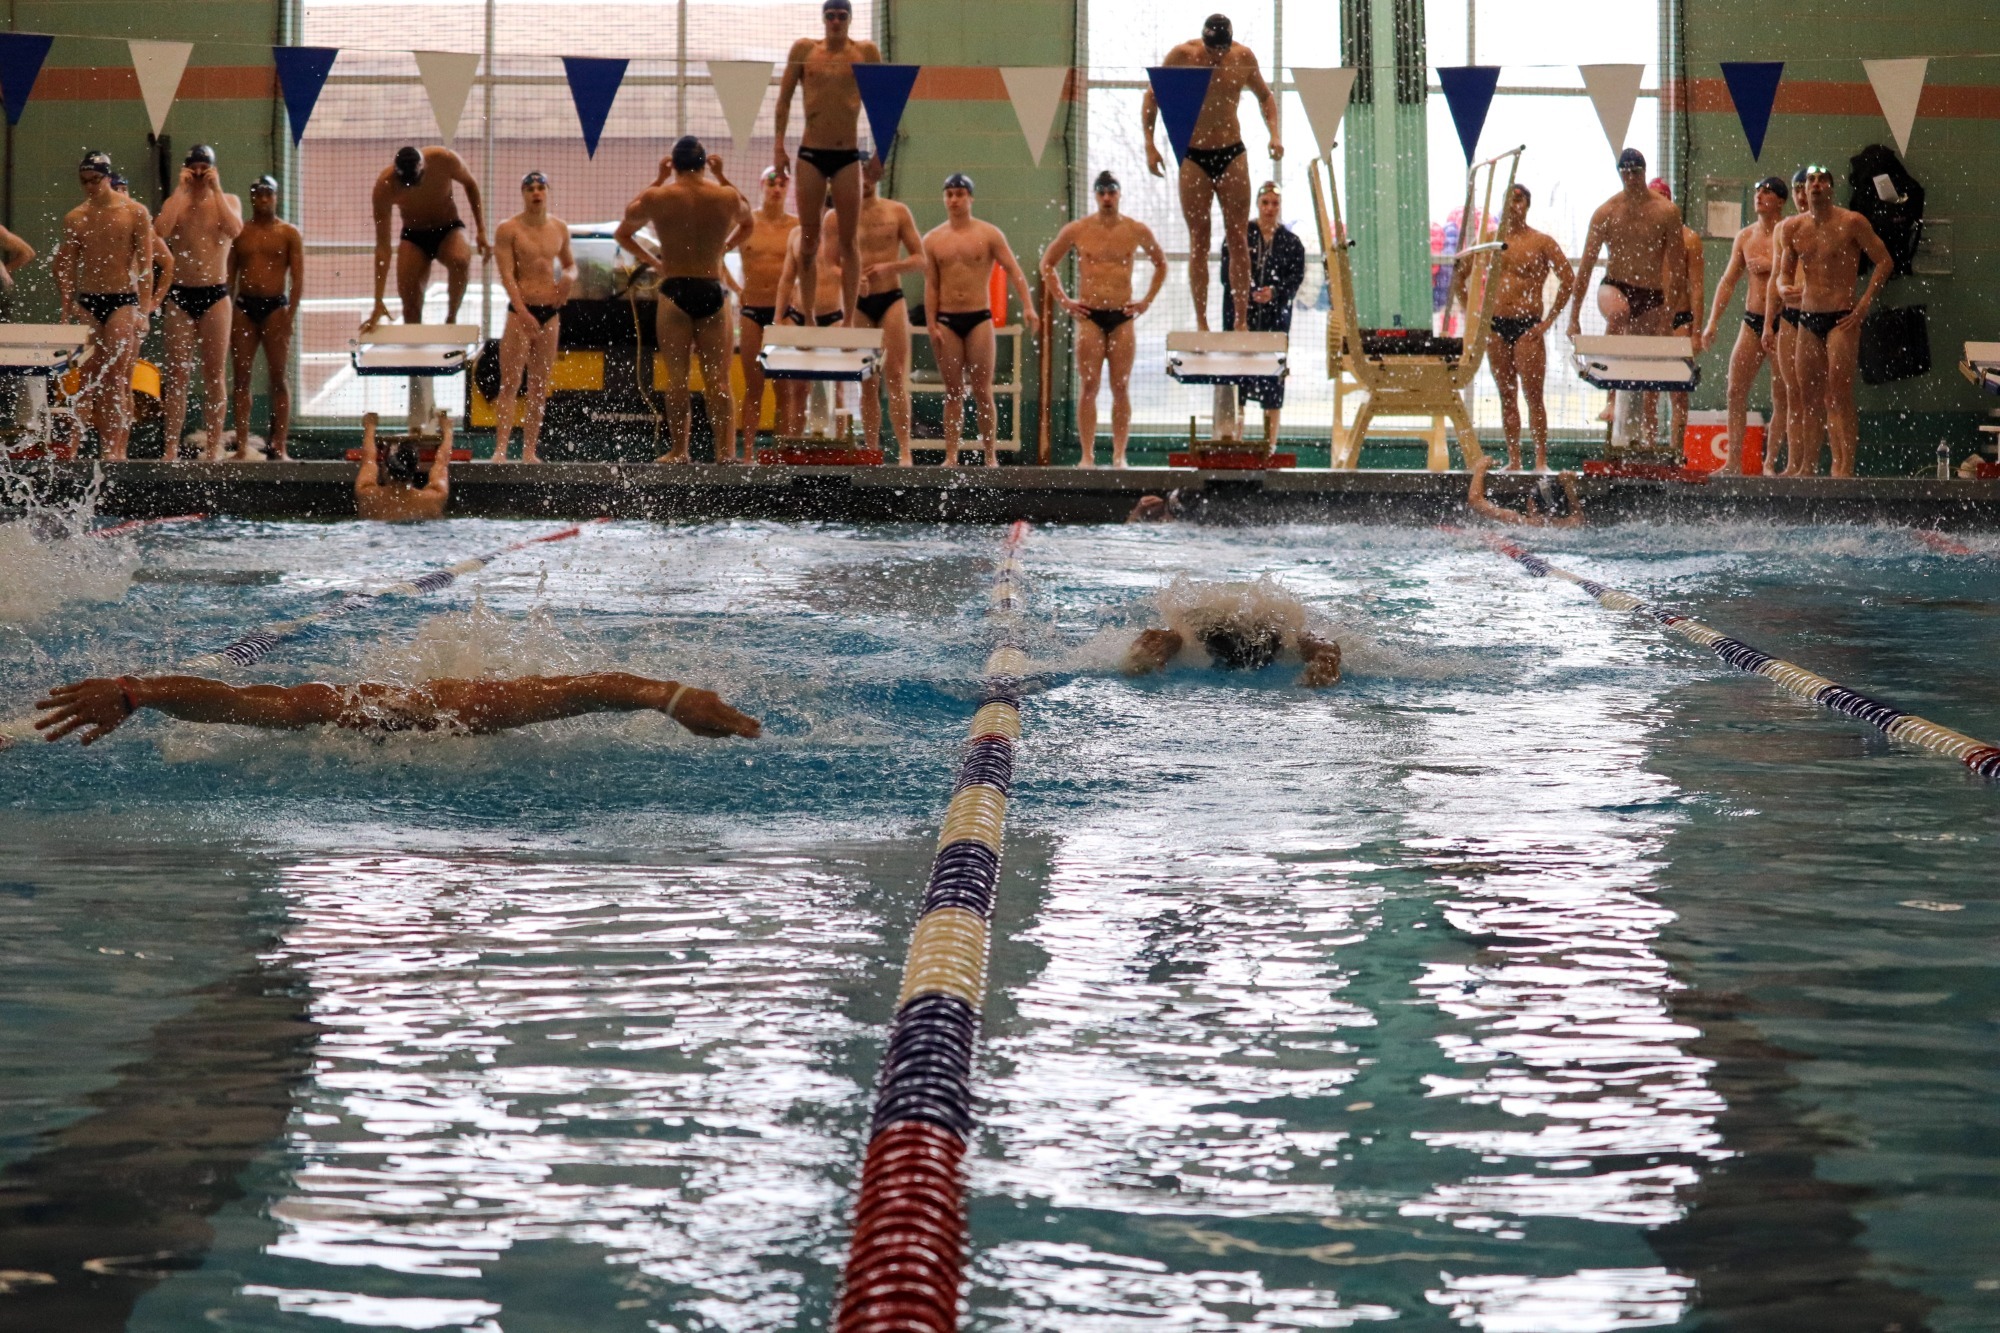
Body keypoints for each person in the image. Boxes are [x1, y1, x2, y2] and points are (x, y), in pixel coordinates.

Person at [33, 672, 760, 746]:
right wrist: (137, 694)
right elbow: (237, 702)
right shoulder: (337, 709)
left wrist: (672, 700)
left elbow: (582, 689)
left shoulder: (462, 711)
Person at [616, 136, 753, 465]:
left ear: (673, 165)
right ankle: (725, 453)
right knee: (718, 380)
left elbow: (625, 225)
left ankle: (680, 451)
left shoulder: (658, 196)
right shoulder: (725, 195)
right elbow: (748, 221)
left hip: (674, 289)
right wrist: (722, 179)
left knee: (676, 379)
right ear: (705, 164)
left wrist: (659, 180)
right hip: (712, 288)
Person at [1141, 13, 1281, 332]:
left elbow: (1266, 96)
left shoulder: (1243, 57)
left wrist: (1274, 134)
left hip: (1232, 152)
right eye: (1210, 50)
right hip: (1194, 156)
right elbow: (1153, 97)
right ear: (1202, 41)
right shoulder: (1182, 56)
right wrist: (1149, 145)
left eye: (1221, 50)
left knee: (1238, 238)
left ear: (1229, 44)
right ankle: (1202, 323)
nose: (1215, 57)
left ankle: (1241, 321)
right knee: (1199, 241)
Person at [1769, 164, 1891, 479]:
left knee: (1839, 395)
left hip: (1842, 319)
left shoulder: (1852, 222)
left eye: (1823, 179)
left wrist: (1863, 306)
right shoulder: (1792, 228)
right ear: (1805, 190)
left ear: (1831, 189)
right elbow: (1783, 274)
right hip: (1807, 320)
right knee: (1808, 398)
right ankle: (1808, 467)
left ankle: (1844, 468)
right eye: (1811, 180)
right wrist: (1784, 288)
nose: (1817, 184)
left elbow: (1884, 261)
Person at [1040, 170, 1167, 468]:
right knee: (1089, 385)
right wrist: (1065, 301)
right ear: (1096, 195)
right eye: (1102, 192)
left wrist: (1146, 301)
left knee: (1120, 386)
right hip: (1090, 317)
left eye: (1112, 191)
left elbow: (1161, 264)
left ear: (1119, 194)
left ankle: (1119, 456)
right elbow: (1047, 264)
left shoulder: (1136, 230)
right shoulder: (1078, 229)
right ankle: (1087, 456)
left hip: (1122, 317)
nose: (1107, 197)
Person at [1568, 148, 1688, 450]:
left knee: (1646, 365)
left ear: (1644, 172)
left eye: (1637, 171)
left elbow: (1676, 267)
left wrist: (1670, 311)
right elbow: (1585, 267)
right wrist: (1574, 316)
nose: (1632, 177)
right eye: (1627, 171)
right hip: (1615, 286)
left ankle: (1649, 437)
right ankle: (1610, 399)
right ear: (1620, 173)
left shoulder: (1666, 212)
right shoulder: (1606, 212)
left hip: (1652, 294)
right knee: (1619, 314)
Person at [773, 0, 882, 327]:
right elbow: (784, 101)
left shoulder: (866, 53)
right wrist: (778, 148)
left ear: (850, 19)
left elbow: (883, 104)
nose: (836, 22)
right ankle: (808, 317)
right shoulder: (805, 50)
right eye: (830, 16)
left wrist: (881, 153)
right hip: (810, 154)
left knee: (849, 241)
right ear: (823, 19)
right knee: (808, 240)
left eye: (842, 16)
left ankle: (848, 321)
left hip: (848, 155)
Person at [921, 172, 1039, 467]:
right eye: (949, 194)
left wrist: (1028, 307)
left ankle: (990, 454)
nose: (954, 200)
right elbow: (931, 285)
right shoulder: (932, 239)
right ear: (944, 199)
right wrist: (931, 324)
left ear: (970, 198)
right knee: (953, 392)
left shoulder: (989, 234)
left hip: (979, 319)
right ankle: (951, 455)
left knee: (983, 390)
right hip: (946, 320)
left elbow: (1014, 270)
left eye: (960, 194)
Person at [53, 151, 160, 461]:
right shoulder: (75, 217)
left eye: (94, 180)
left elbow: (147, 268)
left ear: (107, 177)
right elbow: (68, 266)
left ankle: (115, 451)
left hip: (123, 302)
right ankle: (73, 448)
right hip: (89, 300)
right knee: (84, 379)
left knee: (116, 378)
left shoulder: (135, 212)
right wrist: (66, 306)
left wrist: (143, 311)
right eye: (83, 181)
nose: (88, 187)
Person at [1466, 184, 1574, 471]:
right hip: (1496, 326)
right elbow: (1461, 271)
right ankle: (1514, 461)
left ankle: (1540, 461)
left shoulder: (1541, 242)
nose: (1514, 206)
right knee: (1507, 395)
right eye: (1509, 200)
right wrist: (1477, 318)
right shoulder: (1490, 241)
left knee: (1533, 396)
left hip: (1528, 327)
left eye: (1519, 201)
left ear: (1527, 206)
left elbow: (1569, 279)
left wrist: (1549, 321)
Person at [152, 144, 244, 461]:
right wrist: (180, 190)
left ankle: (213, 445)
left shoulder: (228, 201)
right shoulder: (175, 202)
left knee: (214, 374)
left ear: (214, 170)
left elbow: (235, 230)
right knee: (177, 375)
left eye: (205, 168)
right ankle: (170, 448)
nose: (200, 174)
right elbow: (159, 231)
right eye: (195, 168)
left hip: (215, 295)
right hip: (180, 294)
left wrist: (216, 190)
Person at [1701, 176, 1788, 476]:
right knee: (1735, 390)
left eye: (1767, 191)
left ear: (1781, 201)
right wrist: (1712, 323)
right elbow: (1727, 282)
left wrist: (1772, 264)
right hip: (1752, 322)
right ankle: (1733, 462)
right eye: (1757, 190)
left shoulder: (1788, 233)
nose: (1760, 195)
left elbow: (1797, 275)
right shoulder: (1745, 237)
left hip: (1781, 323)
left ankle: (1769, 463)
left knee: (1782, 396)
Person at [489, 171, 576, 464]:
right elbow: (506, 275)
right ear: (523, 194)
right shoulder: (508, 229)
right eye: (530, 189)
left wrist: (568, 277)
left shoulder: (559, 228)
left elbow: (571, 264)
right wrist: (523, 311)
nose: (536, 193)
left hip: (550, 314)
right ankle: (500, 450)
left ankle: (529, 452)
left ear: (548, 192)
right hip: (519, 312)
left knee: (539, 386)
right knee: (510, 383)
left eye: (541, 188)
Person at [1122, 577, 1341, 687]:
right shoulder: (1285, 640)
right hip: (1240, 627)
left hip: (1239, 627)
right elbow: (1322, 646)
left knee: (1177, 638)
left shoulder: (1282, 639)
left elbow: (1321, 646)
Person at [1218, 180, 1307, 452]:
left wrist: (1276, 293)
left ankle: (1270, 445)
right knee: (1238, 382)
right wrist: (1246, 292)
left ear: (1280, 207)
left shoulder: (1291, 242)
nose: (1270, 208)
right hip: (1240, 320)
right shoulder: (1240, 235)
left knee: (1272, 380)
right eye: (1265, 203)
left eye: (1275, 204)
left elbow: (1295, 279)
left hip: (1274, 322)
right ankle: (1235, 440)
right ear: (1257, 204)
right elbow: (1226, 274)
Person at [365, 145, 489, 330]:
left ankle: (451, 318)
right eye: (405, 184)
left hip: (449, 228)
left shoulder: (443, 159)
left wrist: (481, 230)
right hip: (414, 236)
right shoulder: (385, 187)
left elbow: (470, 183)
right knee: (409, 302)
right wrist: (378, 301)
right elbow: (383, 249)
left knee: (460, 259)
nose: (411, 188)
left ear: (423, 168)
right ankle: (415, 350)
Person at [846, 175, 925, 463]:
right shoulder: (841, 215)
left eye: (869, 174)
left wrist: (889, 267)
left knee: (895, 376)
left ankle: (905, 450)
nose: (864, 180)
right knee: (867, 380)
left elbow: (920, 259)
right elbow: (829, 263)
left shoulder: (897, 212)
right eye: (859, 174)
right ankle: (871, 450)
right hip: (859, 304)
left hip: (891, 298)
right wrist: (853, 281)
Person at [226, 175, 304, 462]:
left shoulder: (288, 233)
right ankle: (243, 445)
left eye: (268, 194)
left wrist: (290, 317)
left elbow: (297, 280)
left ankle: (279, 445)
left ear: (276, 196)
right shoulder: (240, 233)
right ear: (251, 198)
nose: (263, 199)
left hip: (275, 309)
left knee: (279, 378)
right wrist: (227, 315)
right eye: (258, 194)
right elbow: (228, 279)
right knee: (241, 379)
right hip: (244, 308)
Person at [732, 168, 800, 460]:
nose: (777, 189)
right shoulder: (748, 224)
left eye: (783, 184)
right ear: (762, 185)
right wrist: (736, 289)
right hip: (751, 310)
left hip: (783, 312)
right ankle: (748, 454)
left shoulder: (796, 227)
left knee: (784, 389)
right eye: (772, 183)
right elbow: (716, 254)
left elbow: (811, 267)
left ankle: (782, 452)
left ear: (789, 190)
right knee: (753, 386)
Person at [1646, 178, 1705, 457]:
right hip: (1651, 319)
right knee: (1649, 388)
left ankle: (1675, 450)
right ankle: (1648, 448)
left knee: (1678, 390)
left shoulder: (1689, 238)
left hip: (1680, 319)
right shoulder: (1642, 237)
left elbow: (1697, 287)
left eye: (1661, 197)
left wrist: (1697, 330)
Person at [1760, 170, 1811, 476]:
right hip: (1790, 315)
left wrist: (1813, 291)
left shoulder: (1834, 224)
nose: (1802, 195)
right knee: (1792, 393)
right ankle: (1793, 464)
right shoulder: (1786, 228)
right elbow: (1775, 279)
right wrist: (1769, 323)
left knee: (1823, 395)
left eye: (1806, 188)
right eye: (1797, 189)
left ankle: (1828, 466)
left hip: (1821, 315)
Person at [354, 410, 449, 521]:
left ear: (385, 468)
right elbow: (442, 463)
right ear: (416, 467)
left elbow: (368, 461)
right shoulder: (434, 498)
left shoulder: (367, 495)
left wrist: (370, 427)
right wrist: (448, 431)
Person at [1466, 454, 1584, 527]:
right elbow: (1578, 517)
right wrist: (1569, 485)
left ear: (1531, 503)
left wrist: (1481, 467)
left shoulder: (1519, 522)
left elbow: (1475, 501)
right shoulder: (1565, 525)